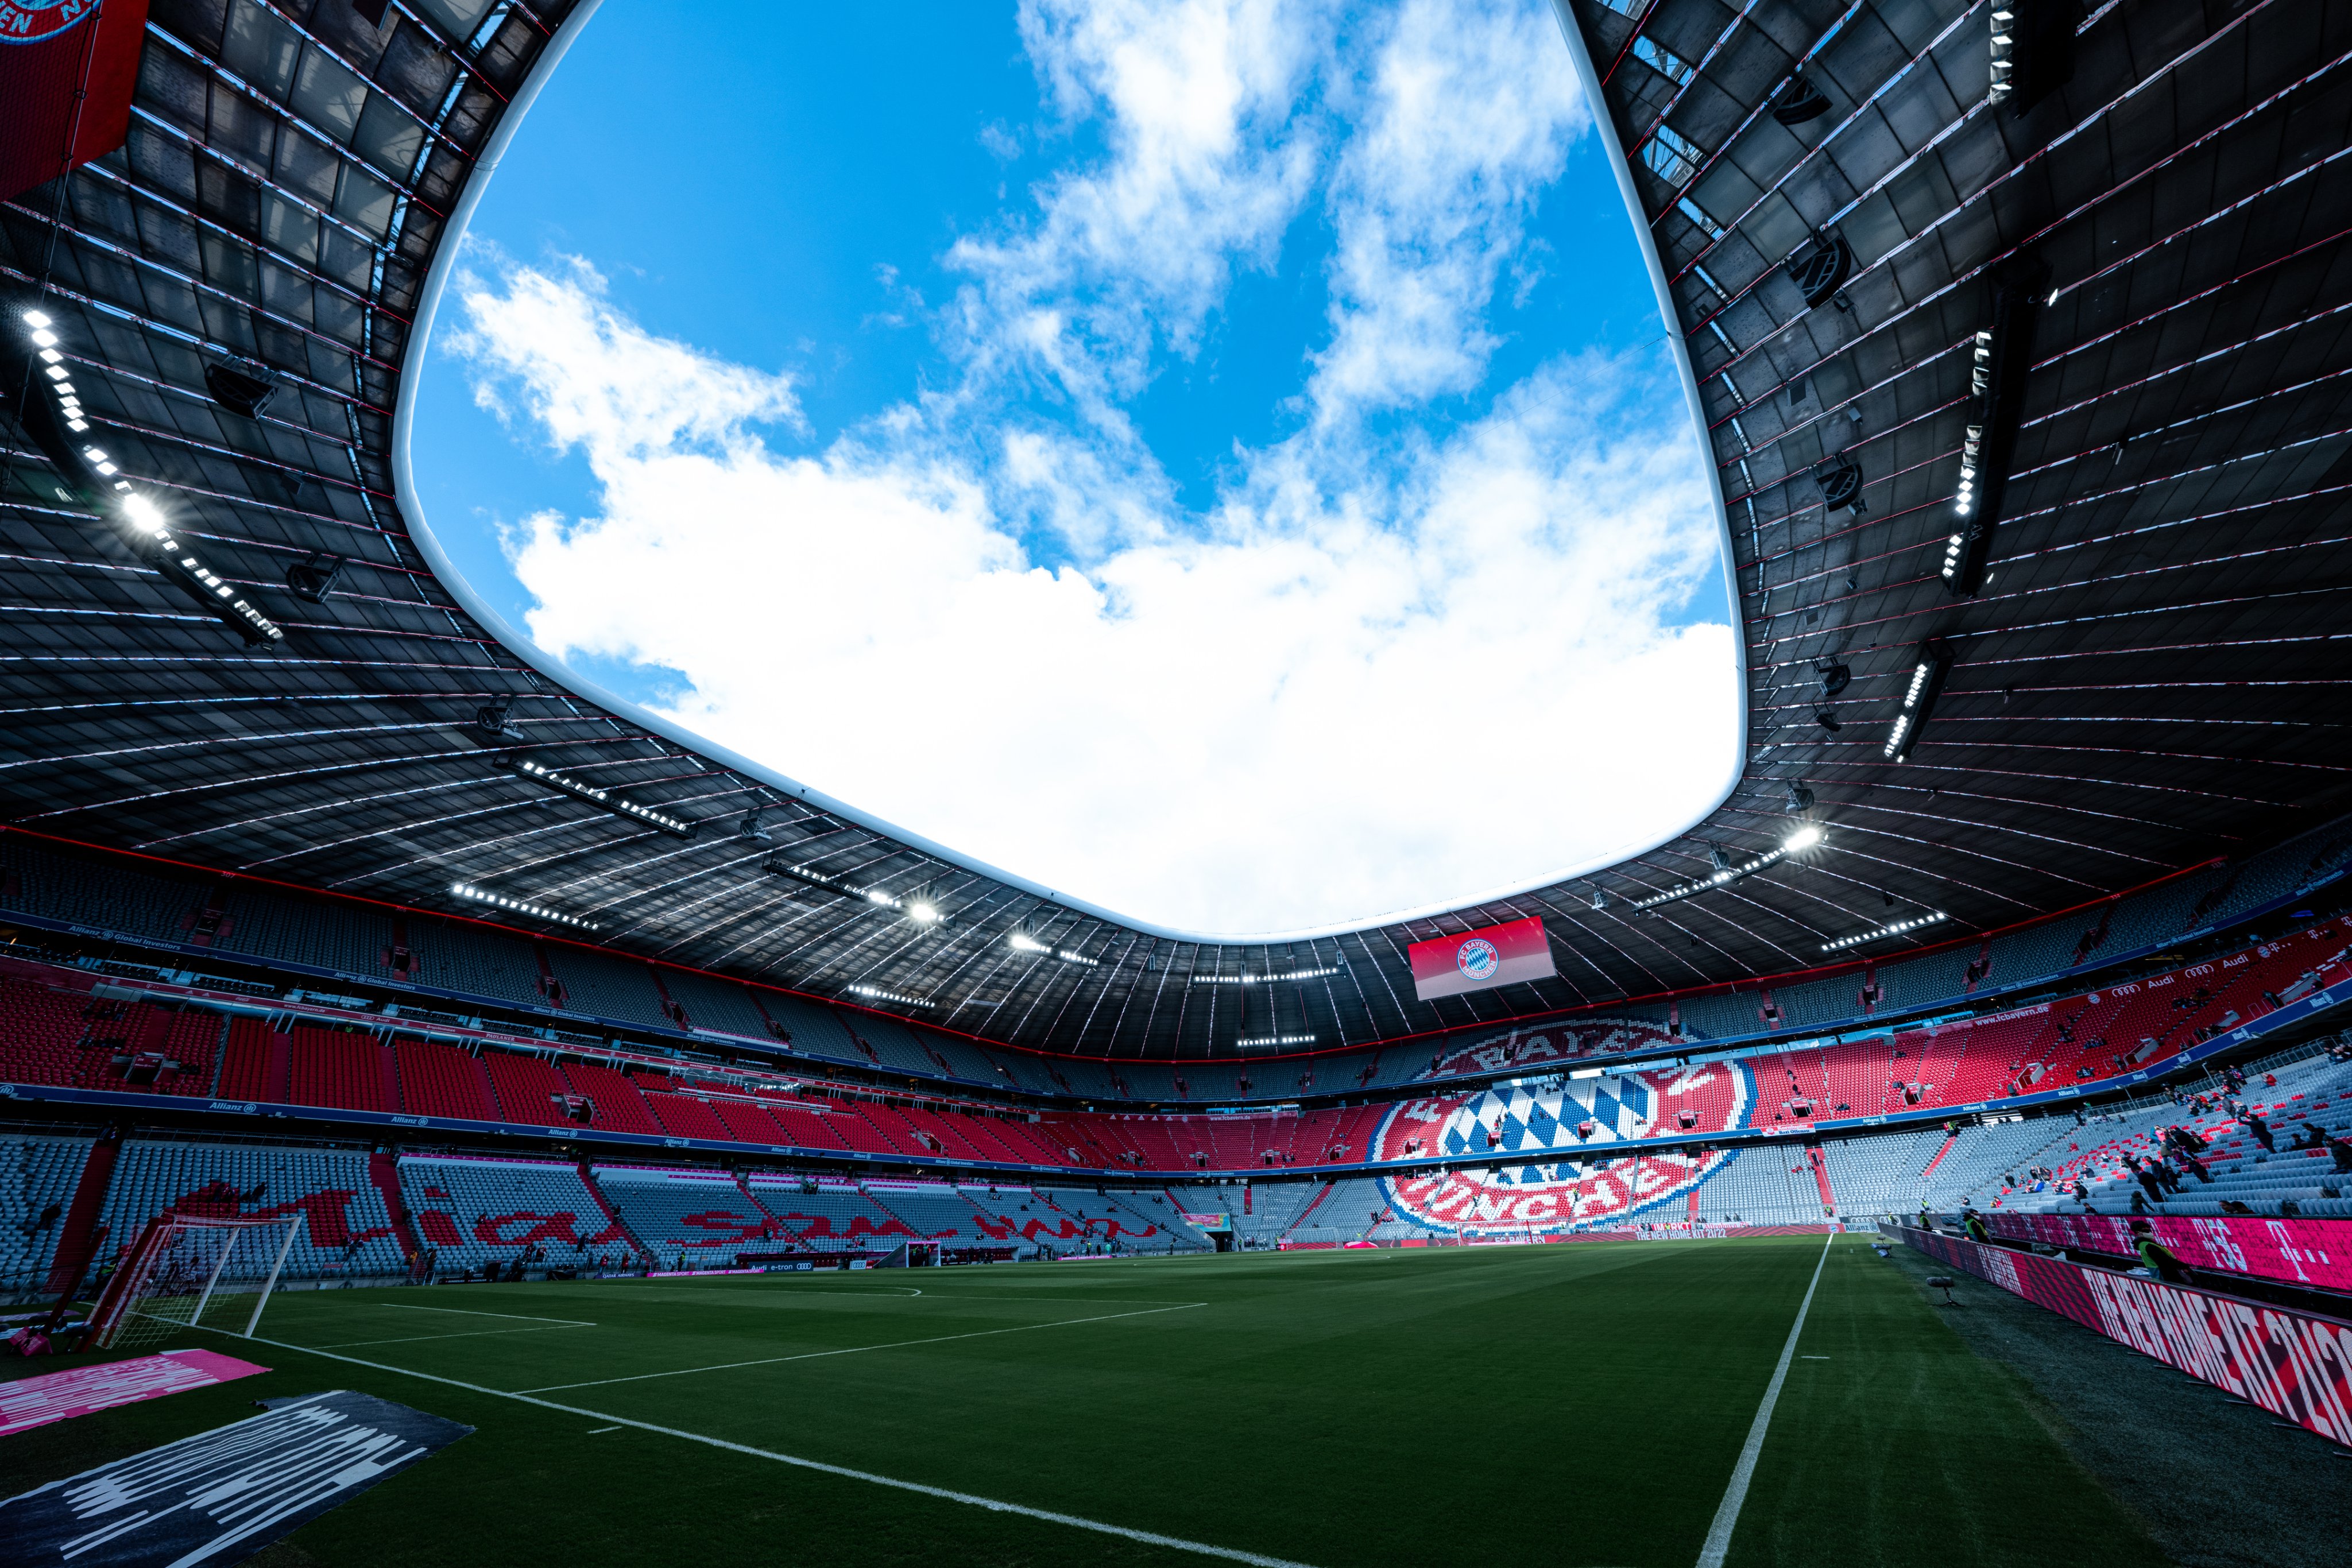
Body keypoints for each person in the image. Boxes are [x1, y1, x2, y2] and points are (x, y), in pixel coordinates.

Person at [2129, 1219, 2189, 1283]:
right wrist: (2183, 1266)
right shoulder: (2148, 1245)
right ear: (2138, 1233)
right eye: (2146, 1231)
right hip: (2165, 1277)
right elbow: (2165, 1260)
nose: (2149, 1233)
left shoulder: (2143, 1244)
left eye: (2149, 1230)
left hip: (2159, 1277)